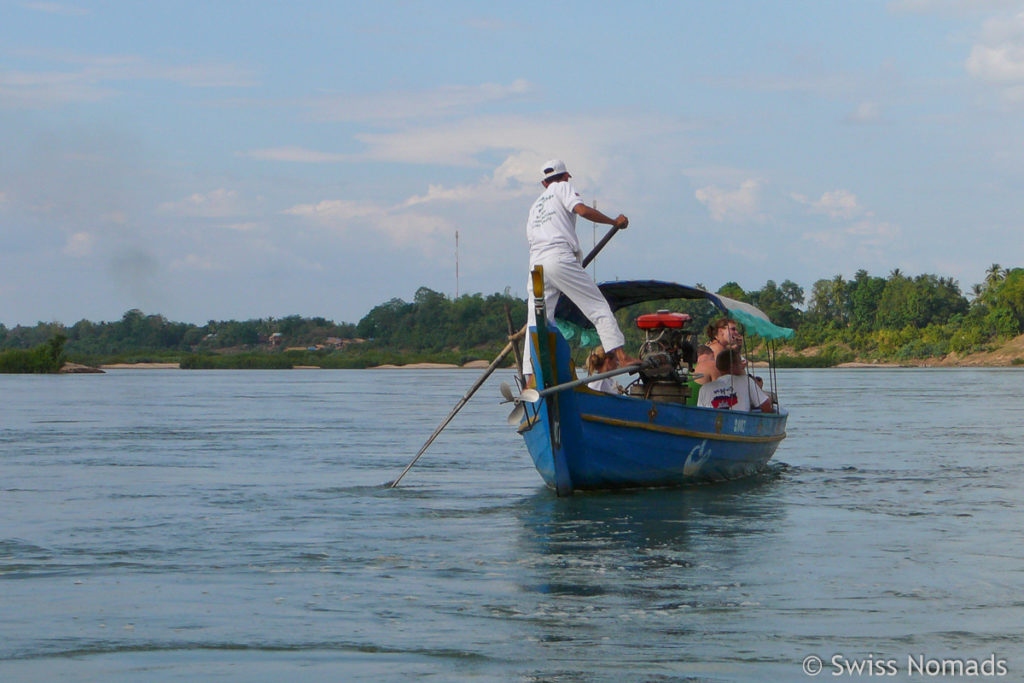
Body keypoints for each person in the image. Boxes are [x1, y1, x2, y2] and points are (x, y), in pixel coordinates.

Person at [522, 159, 639, 382]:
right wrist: (614, 221)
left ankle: (529, 379)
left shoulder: (535, 206)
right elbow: (582, 210)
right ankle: (622, 357)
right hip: (558, 257)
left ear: (544, 183)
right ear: (566, 177)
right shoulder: (562, 187)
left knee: (536, 322)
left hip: (536, 267)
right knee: (597, 306)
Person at [697, 349, 774, 412]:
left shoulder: (704, 388)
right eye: (740, 362)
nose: (742, 365)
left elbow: (700, 414)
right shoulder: (746, 381)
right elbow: (766, 406)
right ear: (733, 366)